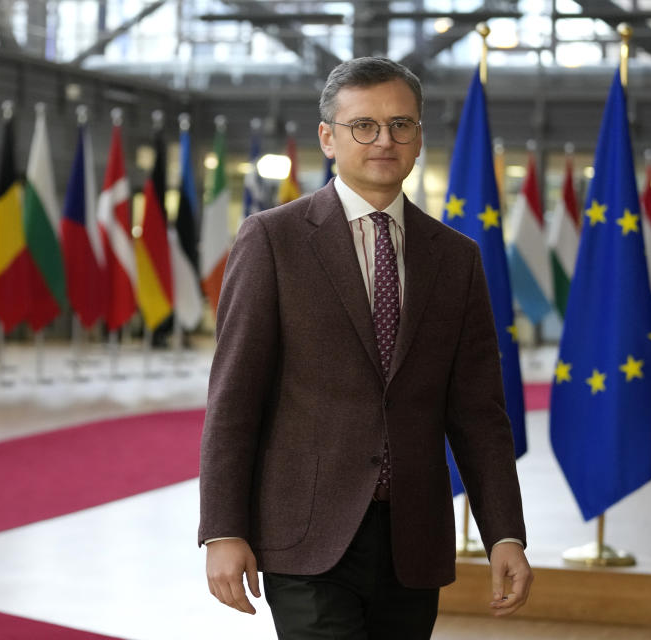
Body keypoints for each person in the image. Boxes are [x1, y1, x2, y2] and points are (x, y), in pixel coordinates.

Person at [199, 56, 532, 638]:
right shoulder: (272, 240)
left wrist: (504, 532)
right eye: (364, 125)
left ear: (419, 137)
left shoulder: (456, 259)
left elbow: (480, 414)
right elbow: (234, 399)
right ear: (328, 137)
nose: (384, 139)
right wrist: (223, 529)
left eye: (401, 124)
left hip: (414, 543)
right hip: (305, 539)